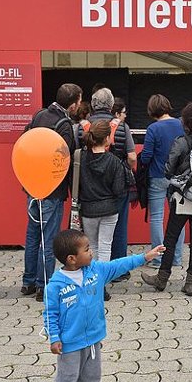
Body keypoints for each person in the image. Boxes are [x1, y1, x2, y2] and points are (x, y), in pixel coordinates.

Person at [44, 229, 165, 382]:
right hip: (70, 342)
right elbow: (50, 314)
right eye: (87, 249)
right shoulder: (55, 286)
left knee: (92, 374)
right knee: (68, 377)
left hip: (93, 338)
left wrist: (144, 257)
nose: (91, 253)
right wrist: (54, 338)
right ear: (72, 259)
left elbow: (118, 265)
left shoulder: (95, 271)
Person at [141, 102, 192, 297]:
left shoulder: (180, 142)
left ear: (184, 121)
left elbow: (168, 169)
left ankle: (162, 278)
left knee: (170, 238)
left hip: (180, 198)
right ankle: (190, 282)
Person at [21, 83, 81, 302]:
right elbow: (64, 159)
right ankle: (43, 285)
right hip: (51, 190)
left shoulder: (39, 116)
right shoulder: (64, 124)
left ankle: (27, 281)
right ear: (74, 103)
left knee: (32, 235)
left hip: (32, 186)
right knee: (49, 239)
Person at [78, 88, 137, 276]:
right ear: (112, 105)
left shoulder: (81, 127)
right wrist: (125, 170)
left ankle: (93, 275)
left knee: (91, 240)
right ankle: (119, 271)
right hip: (116, 185)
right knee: (118, 230)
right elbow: (132, 156)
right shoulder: (121, 126)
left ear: (92, 105)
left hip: (88, 190)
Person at [78, 121, 127, 293]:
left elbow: (75, 185)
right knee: (106, 246)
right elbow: (119, 190)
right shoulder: (114, 161)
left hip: (88, 209)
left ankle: (92, 282)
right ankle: (102, 286)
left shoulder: (80, 158)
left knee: (91, 247)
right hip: (109, 209)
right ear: (107, 138)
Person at [138, 94, 186, 268]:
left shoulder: (153, 128)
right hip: (178, 177)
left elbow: (147, 156)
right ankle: (177, 258)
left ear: (152, 110)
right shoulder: (181, 124)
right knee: (178, 217)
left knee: (157, 218)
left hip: (157, 176)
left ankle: (158, 259)